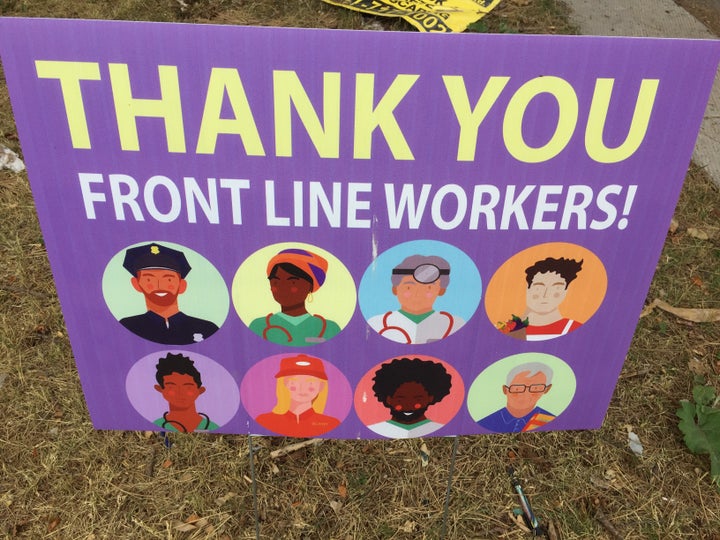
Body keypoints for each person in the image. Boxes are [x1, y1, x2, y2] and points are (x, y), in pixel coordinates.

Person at [119, 243, 219, 345]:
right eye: (149, 279)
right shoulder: (128, 327)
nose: (159, 286)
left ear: (182, 286)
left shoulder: (207, 329)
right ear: (136, 284)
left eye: (169, 279)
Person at [248, 249, 341, 346]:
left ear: (310, 287)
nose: (282, 288)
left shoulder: (330, 329)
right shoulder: (258, 326)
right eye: (275, 281)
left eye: (292, 282)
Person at [367, 255, 464, 344]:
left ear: (441, 291)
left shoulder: (456, 325)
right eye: (409, 287)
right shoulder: (376, 323)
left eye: (428, 288)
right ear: (395, 289)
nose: (418, 294)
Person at [255, 354, 341, 437]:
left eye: (310, 383)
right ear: (285, 384)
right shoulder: (264, 421)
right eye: (294, 382)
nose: (302, 388)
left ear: (321, 386)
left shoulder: (331, 424)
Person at [367, 357, 452, 438]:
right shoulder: (378, 429)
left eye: (418, 399)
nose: (408, 406)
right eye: (400, 400)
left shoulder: (438, 429)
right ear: (388, 399)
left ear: (430, 398)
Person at [477, 362, 556, 433]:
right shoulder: (487, 422)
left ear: (547, 389)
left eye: (536, 388)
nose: (526, 394)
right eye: (517, 388)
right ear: (505, 390)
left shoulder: (551, 421)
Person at [153, 352, 219, 433]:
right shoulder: (156, 425)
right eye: (171, 387)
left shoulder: (213, 427)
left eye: (188, 387)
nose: (180, 393)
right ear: (160, 389)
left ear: (200, 391)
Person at [523, 257, 584, 341]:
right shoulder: (508, 328)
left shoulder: (574, 329)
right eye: (538, 287)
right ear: (527, 288)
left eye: (557, 288)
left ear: (565, 291)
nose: (545, 295)